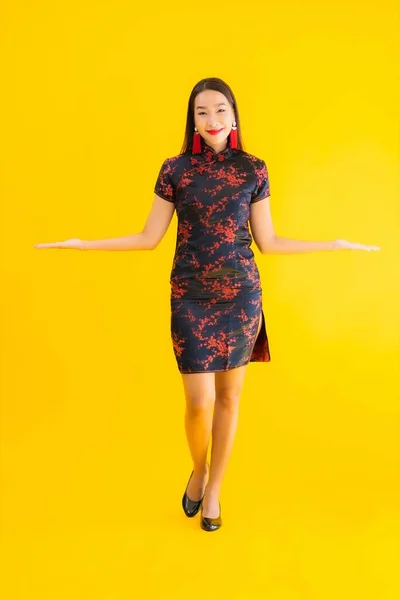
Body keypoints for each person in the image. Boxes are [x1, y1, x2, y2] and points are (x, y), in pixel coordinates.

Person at [35, 77, 380, 532]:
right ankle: (198, 469)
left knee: (230, 398)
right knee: (198, 403)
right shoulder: (174, 169)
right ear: (192, 121)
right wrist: (82, 244)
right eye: (202, 112)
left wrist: (332, 244)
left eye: (220, 110)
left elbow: (269, 242)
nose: (212, 119)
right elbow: (148, 238)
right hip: (190, 296)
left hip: (241, 295)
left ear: (233, 116)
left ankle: (214, 488)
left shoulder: (254, 169)